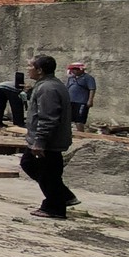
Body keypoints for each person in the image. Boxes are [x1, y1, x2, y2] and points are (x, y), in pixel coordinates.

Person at [21, 54, 79, 219]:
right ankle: (62, 198)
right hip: (49, 140)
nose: (28, 70)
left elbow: (48, 117)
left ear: (40, 70)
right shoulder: (49, 85)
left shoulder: (48, 88)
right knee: (41, 169)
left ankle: (57, 204)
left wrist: (40, 141)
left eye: (30, 67)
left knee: (42, 170)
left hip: (49, 142)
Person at [66, 62, 97, 132]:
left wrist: (90, 100)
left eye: (76, 69)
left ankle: (81, 134)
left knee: (79, 120)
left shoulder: (88, 78)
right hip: (71, 101)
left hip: (81, 102)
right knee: (69, 119)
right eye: (73, 69)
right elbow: (67, 88)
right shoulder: (71, 78)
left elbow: (92, 89)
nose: (74, 71)